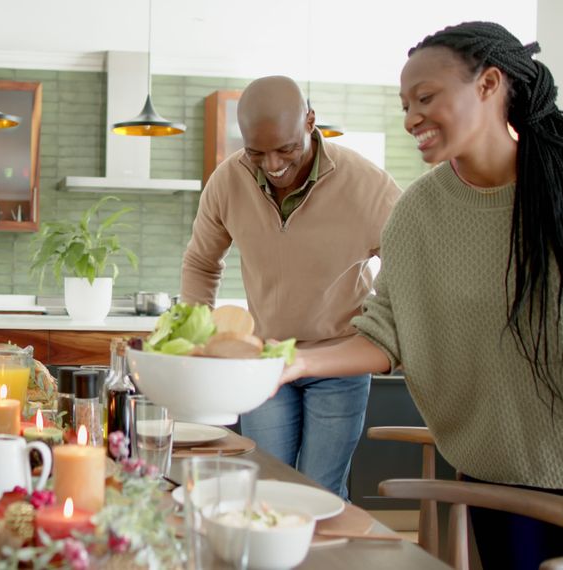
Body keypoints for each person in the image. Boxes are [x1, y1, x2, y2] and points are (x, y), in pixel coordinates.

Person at [281, 21, 563, 568]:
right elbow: (385, 333)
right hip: (498, 480)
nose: (411, 118)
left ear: (488, 84)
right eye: (405, 103)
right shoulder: (416, 215)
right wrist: (287, 363)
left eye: (426, 98)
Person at [181, 75, 401, 499]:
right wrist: (198, 333)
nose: (273, 165)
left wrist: (377, 326)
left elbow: (406, 267)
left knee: (319, 490)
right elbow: (201, 263)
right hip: (265, 362)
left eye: (286, 149)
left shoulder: (366, 185)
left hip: (337, 362)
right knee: (268, 485)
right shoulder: (228, 181)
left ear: (310, 122)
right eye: (256, 153)